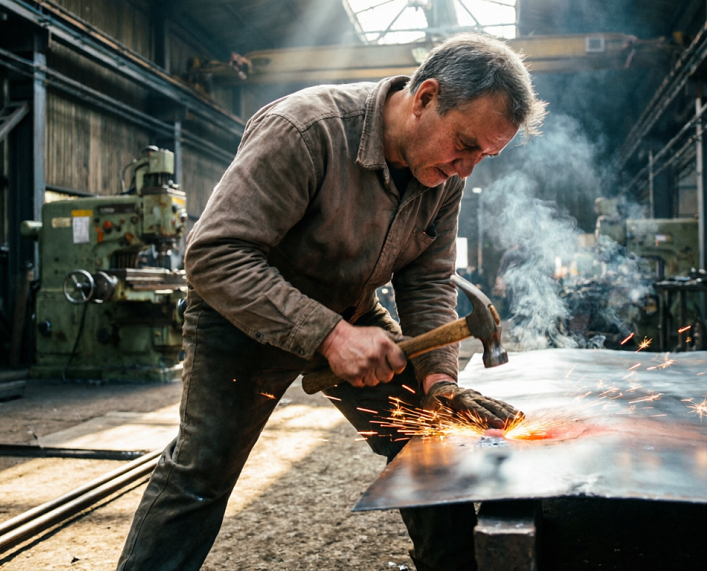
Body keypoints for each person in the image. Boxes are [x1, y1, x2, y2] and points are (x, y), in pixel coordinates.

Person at [117, 33, 546, 571]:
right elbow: (213, 254)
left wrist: (439, 380)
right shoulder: (304, 130)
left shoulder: (445, 171)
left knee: (429, 439)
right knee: (201, 473)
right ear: (425, 97)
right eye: (464, 145)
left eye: (485, 156)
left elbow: (428, 278)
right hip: (242, 315)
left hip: (351, 310)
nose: (467, 169)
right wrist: (329, 336)